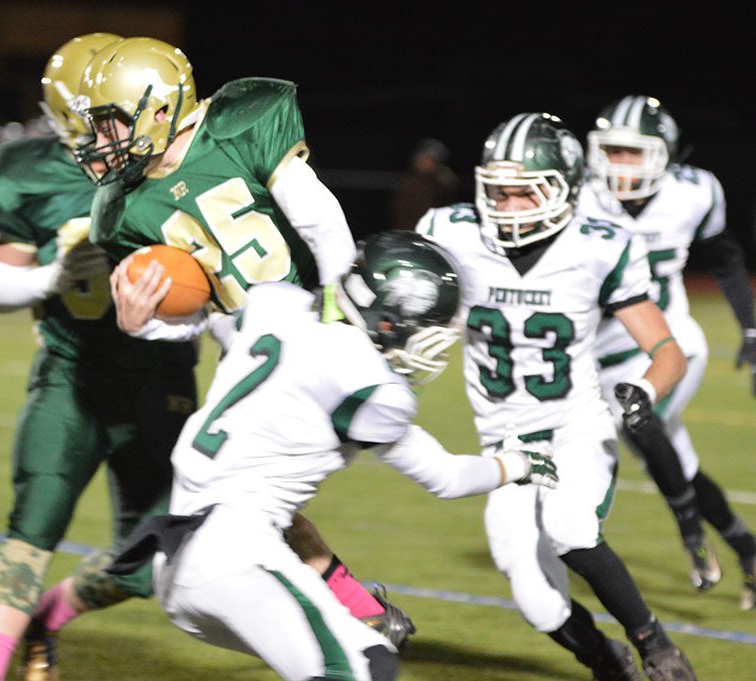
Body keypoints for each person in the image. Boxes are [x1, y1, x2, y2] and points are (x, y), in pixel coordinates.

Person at [76, 35, 420, 648]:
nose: (103, 141)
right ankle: (358, 614)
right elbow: (194, 316)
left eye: (111, 123)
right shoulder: (128, 208)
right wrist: (143, 324)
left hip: (314, 330)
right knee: (249, 501)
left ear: (161, 108)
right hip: (252, 355)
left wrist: (335, 315)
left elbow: (322, 221)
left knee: (244, 499)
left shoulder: (237, 127)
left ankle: (341, 623)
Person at [106, 231, 557, 681]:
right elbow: (447, 477)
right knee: (361, 668)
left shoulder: (275, 305)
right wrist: (519, 463)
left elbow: (213, 321)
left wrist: (145, 326)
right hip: (237, 555)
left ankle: (354, 608)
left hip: (177, 560)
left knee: (362, 658)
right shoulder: (370, 386)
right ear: (392, 319)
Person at [416, 112, 697, 681]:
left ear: (565, 190)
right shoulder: (452, 232)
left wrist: (644, 391)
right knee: (536, 601)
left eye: (527, 192)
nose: (509, 206)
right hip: (505, 444)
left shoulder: (598, 247)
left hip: (574, 428)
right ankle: (606, 661)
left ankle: (657, 645)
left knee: (571, 527)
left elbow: (668, 351)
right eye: (500, 192)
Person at [0, 33, 194, 681]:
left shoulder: (184, 169)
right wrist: (53, 278)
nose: (107, 130)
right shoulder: (34, 173)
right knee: (32, 526)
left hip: (161, 380)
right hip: (70, 374)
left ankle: (49, 615)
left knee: (154, 557)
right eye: (97, 114)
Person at [580, 95, 756, 608]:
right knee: (677, 463)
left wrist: (751, 331)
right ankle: (747, 549)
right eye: (612, 150)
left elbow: (725, 258)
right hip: (600, 358)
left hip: (672, 344)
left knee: (639, 423)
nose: (621, 163)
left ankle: (691, 536)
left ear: (663, 154)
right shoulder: (578, 198)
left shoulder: (693, 193)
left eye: (634, 152)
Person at [389, 137, 461, 230]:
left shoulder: (441, 181)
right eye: (424, 158)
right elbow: (400, 210)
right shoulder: (411, 180)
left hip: (432, 229)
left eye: (432, 159)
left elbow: (448, 205)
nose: (425, 162)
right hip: (410, 230)